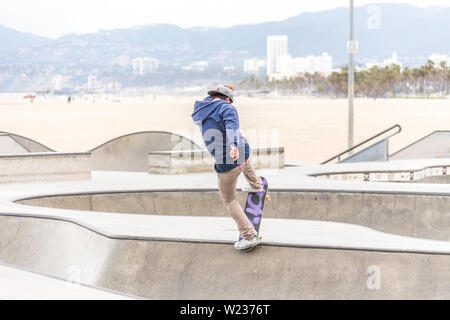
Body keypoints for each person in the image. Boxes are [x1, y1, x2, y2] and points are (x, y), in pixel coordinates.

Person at [192, 85, 264, 251]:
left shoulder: (203, 109)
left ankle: (249, 236)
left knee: (230, 200)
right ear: (227, 99)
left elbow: (228, 125)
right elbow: (231, 125)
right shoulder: (227, 107)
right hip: (240, 153)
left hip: (227, 161)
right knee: (244, 157)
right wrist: (233, 144)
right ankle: (256, 185)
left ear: (213, 97)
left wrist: (232, 145)